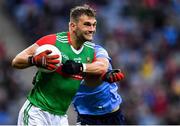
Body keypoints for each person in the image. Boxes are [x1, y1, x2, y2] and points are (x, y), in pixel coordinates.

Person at [11, 5, 124, 125]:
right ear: (73, 26)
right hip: (37, 112)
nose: (92, 29)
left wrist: (105, 77)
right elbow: (16, 61)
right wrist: (33, 60)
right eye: (87, 24)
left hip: (61, 117)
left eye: (94, 25)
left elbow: (92, 75)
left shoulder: (91, 51)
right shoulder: (53, 41)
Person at [73, 44, 126, 125]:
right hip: (86, 116)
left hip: (111, 114)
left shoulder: (97, 50)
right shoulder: (63, 55)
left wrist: (104, 75)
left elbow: (102, 67)